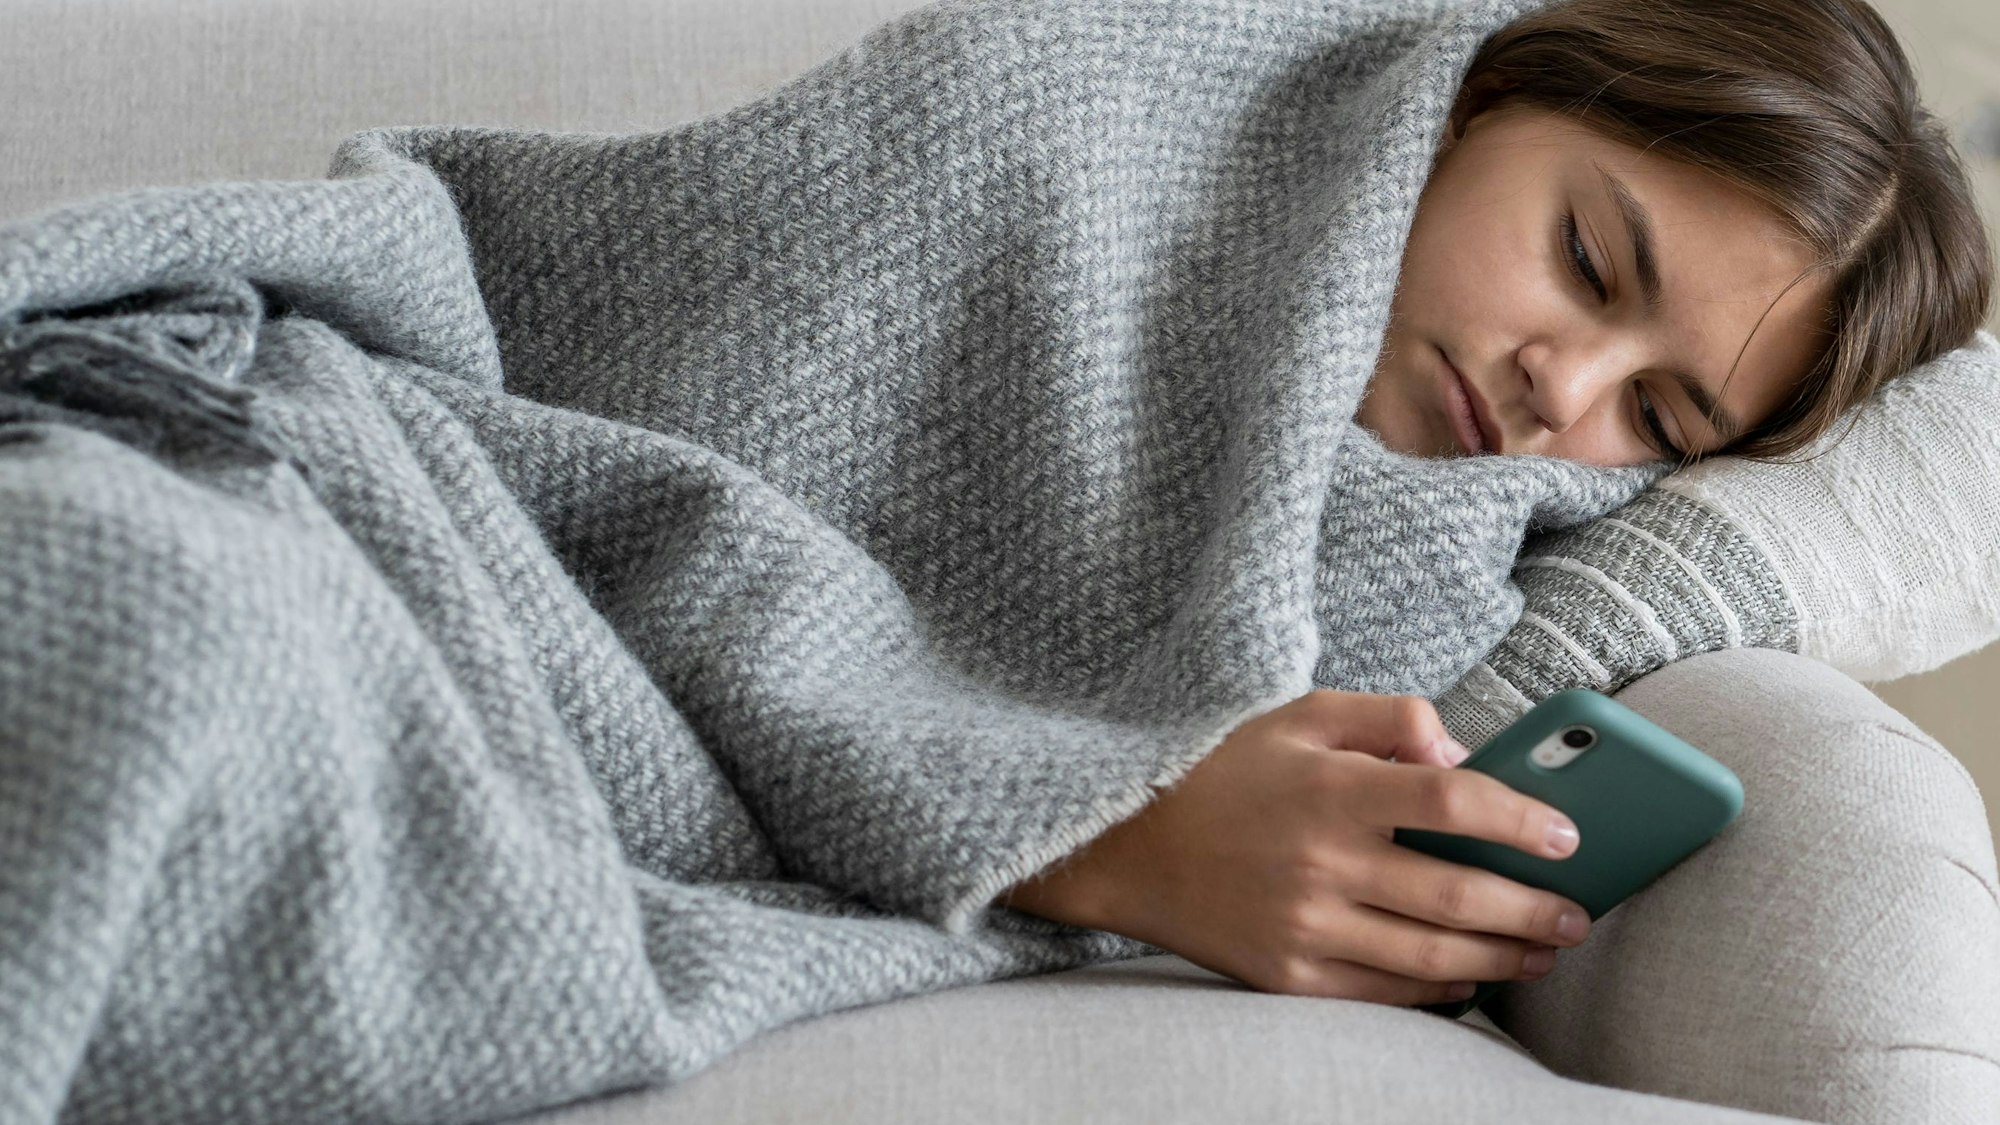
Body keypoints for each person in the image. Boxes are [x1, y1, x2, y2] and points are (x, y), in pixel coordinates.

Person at [999, 0, 1994, 1009]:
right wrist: (1121, 845)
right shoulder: (1057, 109)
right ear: (1487, 97)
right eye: (1585, 263)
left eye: (1652, 415)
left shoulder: (1477, 552)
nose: (1561, 390)